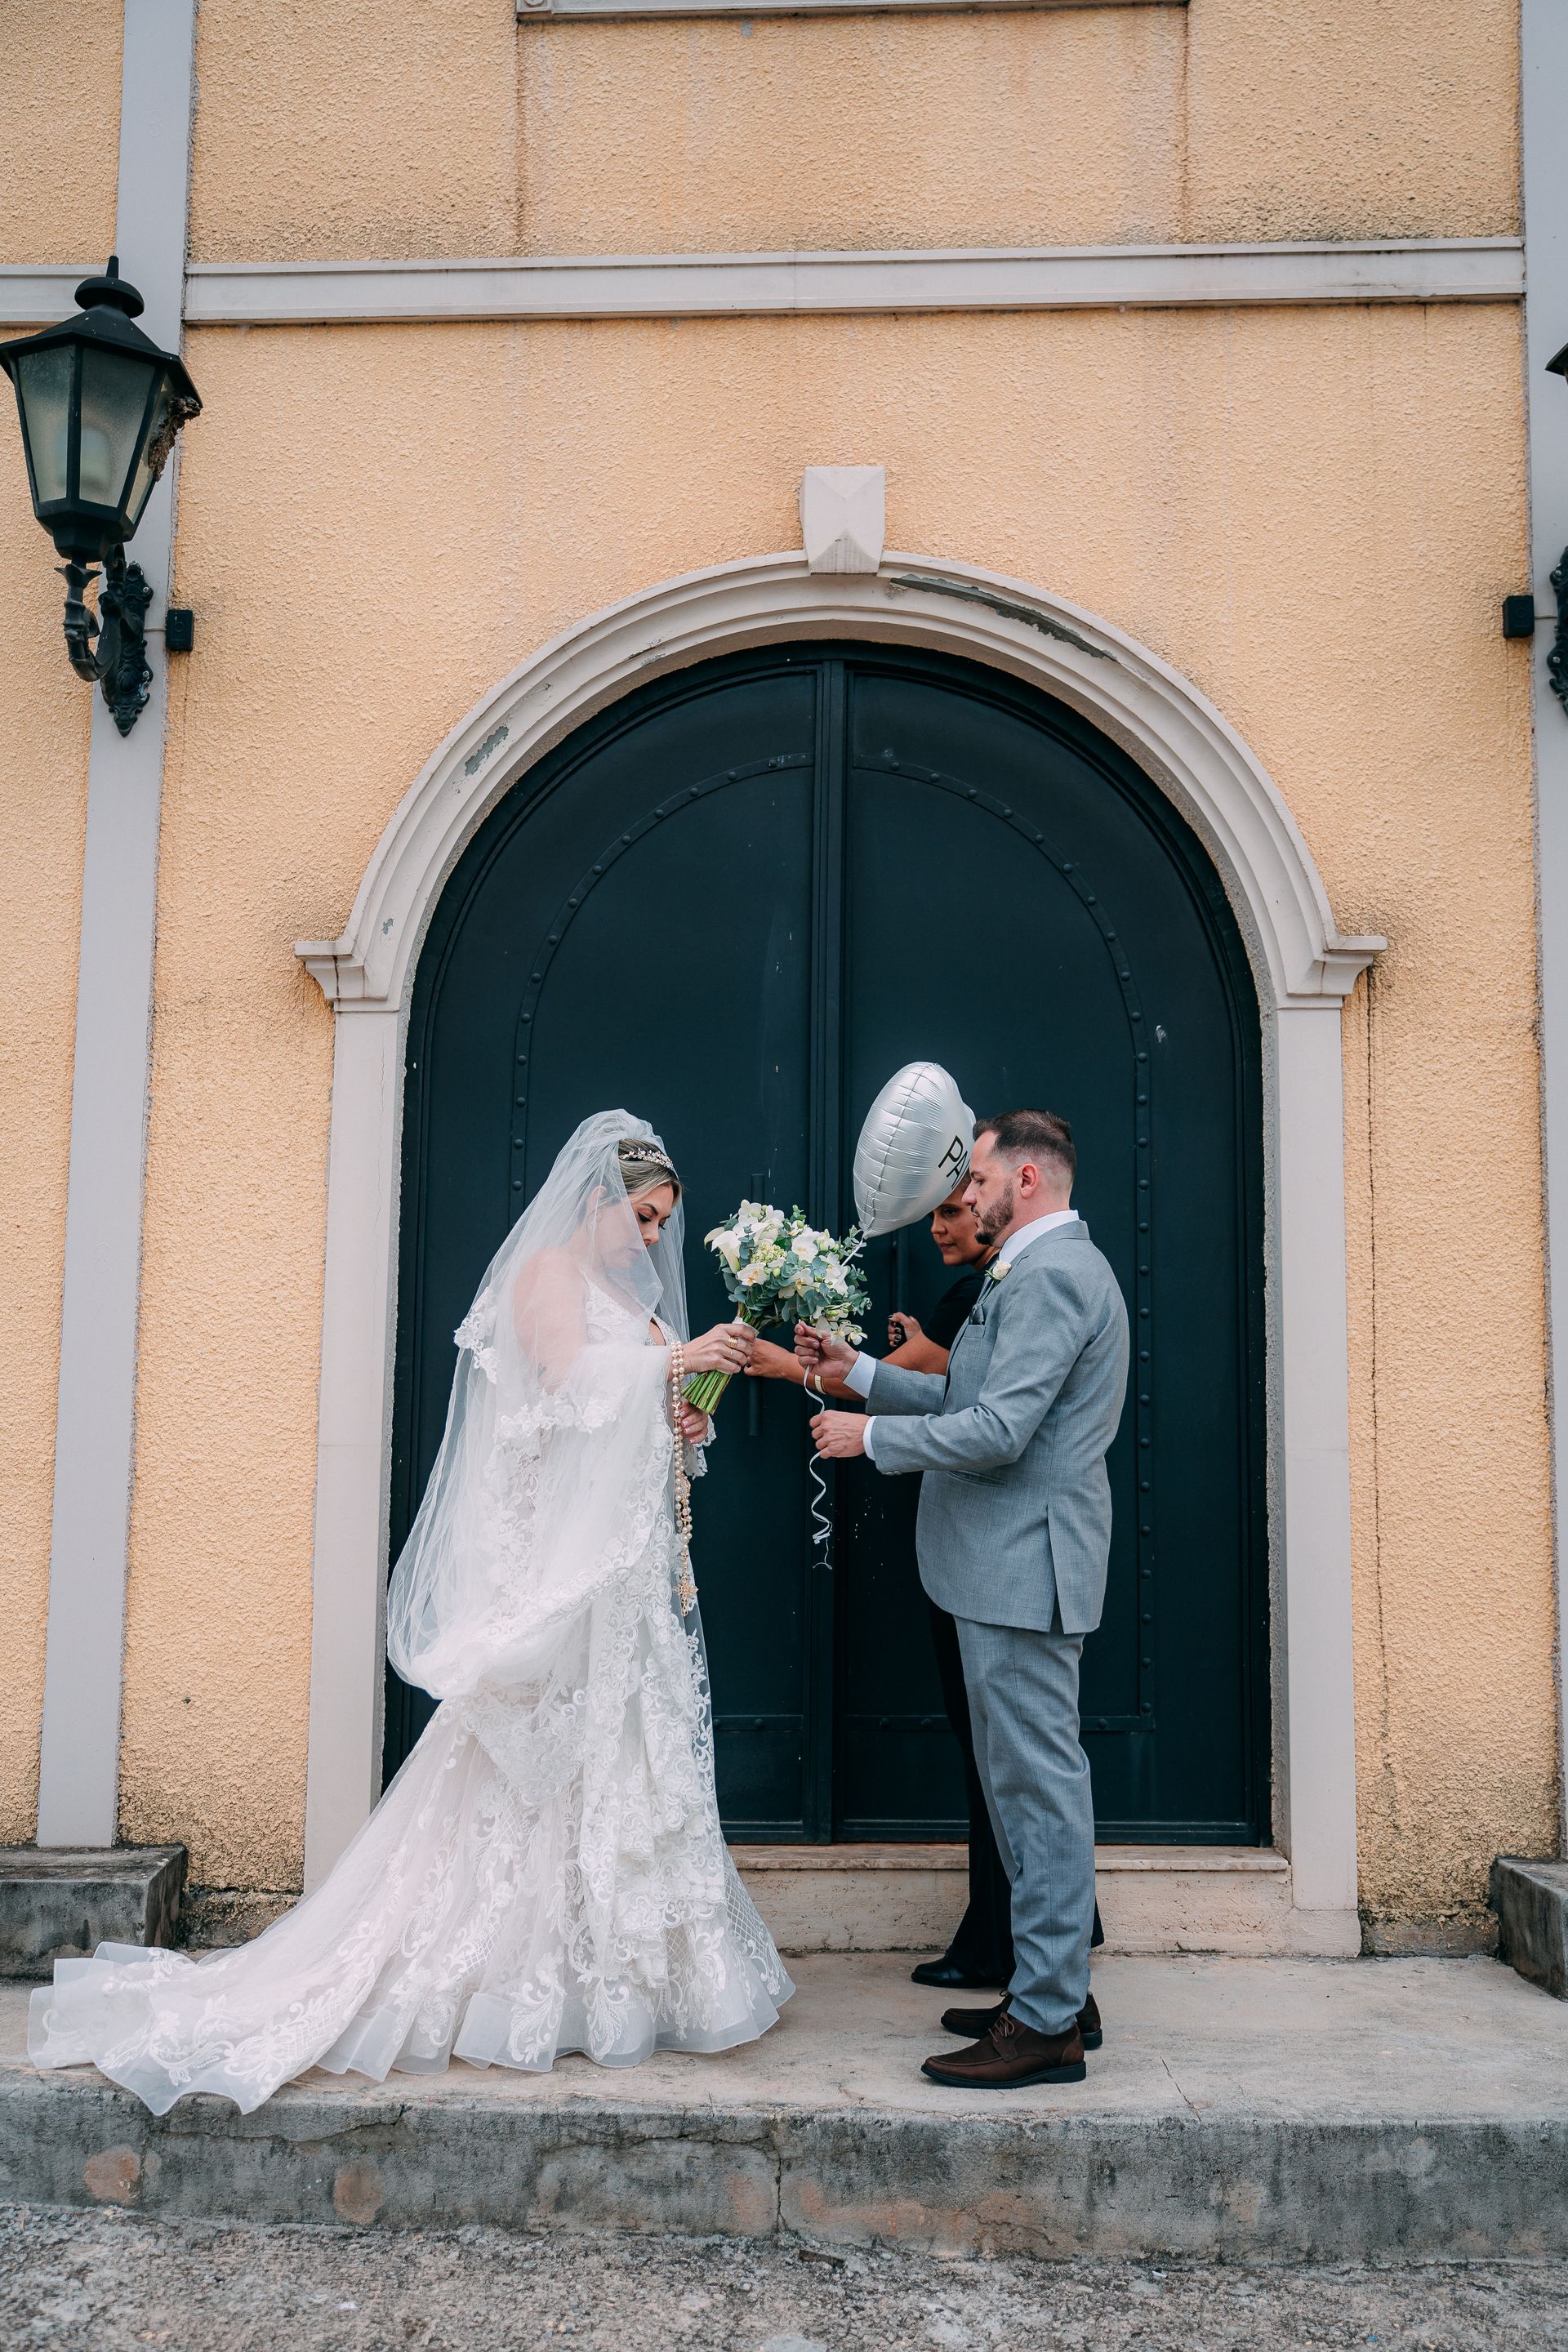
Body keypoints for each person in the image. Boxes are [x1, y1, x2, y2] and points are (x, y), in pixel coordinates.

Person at [29, 1113, 792, 2114]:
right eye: (645, 1218)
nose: (654, 1240)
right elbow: (562, 1390)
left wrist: (679, 1407)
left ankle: (615, 1979)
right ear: (601, 1198)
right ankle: (499, 1979)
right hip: (566, 1576)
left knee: (624, 1761)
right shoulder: (550, 1280)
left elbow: (625, 1411)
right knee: (527, 1769)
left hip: (627, 1579)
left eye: (661, 1225)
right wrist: (667, 1361)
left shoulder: (619, 1294)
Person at [800, 1110, 1129, 2091]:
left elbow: (1000, 1432)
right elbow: (961, 1397)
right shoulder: (1025, 1270)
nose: (966, 1189)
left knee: (1038, 1793)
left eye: (978, 1174)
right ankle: (1052, 1989)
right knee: (1021, 1790)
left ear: (1025, 1179)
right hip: (1000, 1567)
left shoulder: (1058, 1275)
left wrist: (871, 1442)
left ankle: (1044, 2027)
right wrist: (854, 1374)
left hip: (1025, 1571)